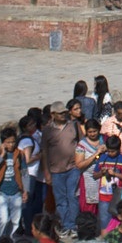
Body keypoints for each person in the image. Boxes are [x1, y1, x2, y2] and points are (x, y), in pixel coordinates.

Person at [43, 100, 85, 235]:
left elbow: (82, 144)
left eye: (64, 112)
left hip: (73, 168)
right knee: (61, 199)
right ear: (53, 114)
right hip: (56, 171)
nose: (63, 115)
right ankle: (66, 224)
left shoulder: (73, 125)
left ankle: (73, 225)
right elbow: (44, 152)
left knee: (72, 196)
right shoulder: (47, 130)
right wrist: (47, 173)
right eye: (60, 113)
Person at [0, 129, 25, 239]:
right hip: (1, 192)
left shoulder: (19, 154)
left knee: (15, 221)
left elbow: (25, 173)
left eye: (13, 142)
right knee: (3, 219)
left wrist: (25, 191)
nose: (11, 145)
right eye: (8, 142)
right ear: (3, 143)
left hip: (16, 192)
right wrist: (1, 156)